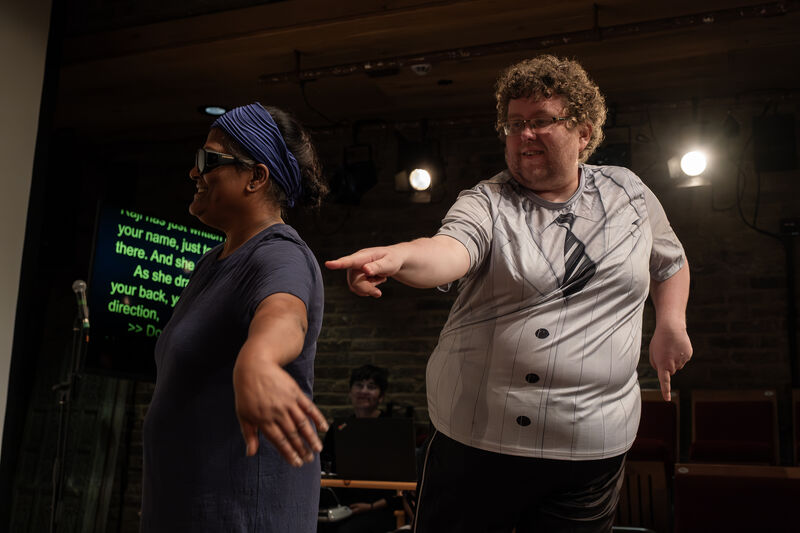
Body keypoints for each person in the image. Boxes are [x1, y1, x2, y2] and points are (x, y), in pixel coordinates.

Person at [326, 55, 692, 532]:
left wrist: (671, 323)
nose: (524, 134)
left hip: (590, 448)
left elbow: (670, 262)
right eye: (515, 124)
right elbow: (448, 250)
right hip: (477, 443)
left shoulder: (629, 193)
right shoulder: (488, 201)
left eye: (541, 121)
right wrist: (398, 258)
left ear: (583, 132)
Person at [141, 103, 329, 532]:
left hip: (242, 514)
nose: (195, 172)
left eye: (208, 160)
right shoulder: (211, 264)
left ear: (256, 177)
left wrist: (259, 358)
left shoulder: (280, 253)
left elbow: (285, 315)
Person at [319, 365, 398, 533]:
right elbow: (325, 466)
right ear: (350, 392)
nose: (364, 391)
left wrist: (370, 506)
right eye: (359, 385)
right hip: (342, 507)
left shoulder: (392, 428)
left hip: (379, 508)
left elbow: (401, 483)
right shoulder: (339, 428)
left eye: (371, 387)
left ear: (381, 396)